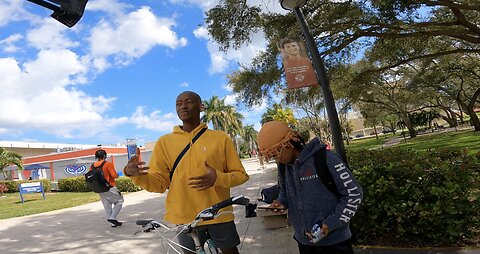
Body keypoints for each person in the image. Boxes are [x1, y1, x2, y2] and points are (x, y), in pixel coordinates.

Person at [123, 91, 249, 254]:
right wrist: (136, 175)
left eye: (189, 102)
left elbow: (241, 175)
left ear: (201, 106)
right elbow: (160, 184)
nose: (183, 106)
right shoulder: (164, 142)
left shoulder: (220, 138)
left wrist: (218, 177)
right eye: (178, 103)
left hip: (219, 214)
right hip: (184, 218)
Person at [257, 121, 363, 254]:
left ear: (289, 144)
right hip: (304, 242)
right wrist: (281, 203)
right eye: (272, 157)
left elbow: (354, 194)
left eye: (277, 154)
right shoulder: (284, 167)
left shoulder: (327, 159)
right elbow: (285, 192)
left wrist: (330, 224)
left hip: (335, 243)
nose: (277, 160)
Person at [92, 149, 124, 227]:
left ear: (96, 156)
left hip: (99, 188)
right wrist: (117, 175)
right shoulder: (108, 164)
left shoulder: (92, 166)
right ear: (104, 156)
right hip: (110, 187)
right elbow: (114, 175)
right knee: (120, 201)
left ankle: (113, 223)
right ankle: (113, 218)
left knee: (107, 205)